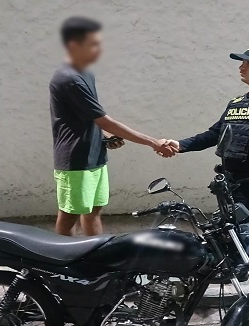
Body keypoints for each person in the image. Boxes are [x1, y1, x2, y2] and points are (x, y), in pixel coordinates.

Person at [162, 45, 249, 287]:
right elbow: (214, 134)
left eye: (248, 62)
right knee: (231, 233)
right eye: (242, 62)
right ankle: (237, 274)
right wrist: (180, 145)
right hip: (231, 185)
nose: (242, 66)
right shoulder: (237, 103)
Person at [50, 17, 176, 236]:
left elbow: (91, 117)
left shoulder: (85, 74)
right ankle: (60, 257)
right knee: (69, 214)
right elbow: (104, 120)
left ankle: (95, 253)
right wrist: (153, 142)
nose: (98, 50)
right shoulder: (69, 79)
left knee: (93, 211)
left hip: (95, 155)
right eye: (92, 44)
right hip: (75, 159)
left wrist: (105, 136)